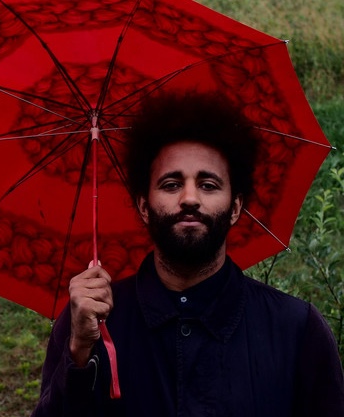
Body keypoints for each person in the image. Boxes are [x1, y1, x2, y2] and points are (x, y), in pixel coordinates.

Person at [31, 92, 344, 416]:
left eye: (208, 185)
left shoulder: (296, 330)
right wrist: (79, 355)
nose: (190, 198)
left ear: (235, 207)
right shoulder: (87, 322)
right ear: (144, 206)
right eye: (171, 184)